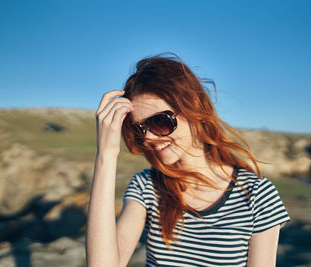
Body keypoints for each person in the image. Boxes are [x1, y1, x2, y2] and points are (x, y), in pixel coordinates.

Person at [86, 53, 290, 267]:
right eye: (140, 129)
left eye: (159, 122)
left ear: (194, 109)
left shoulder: (257, 195)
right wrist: (106, 156)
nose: (148, 138)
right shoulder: (146, 187)